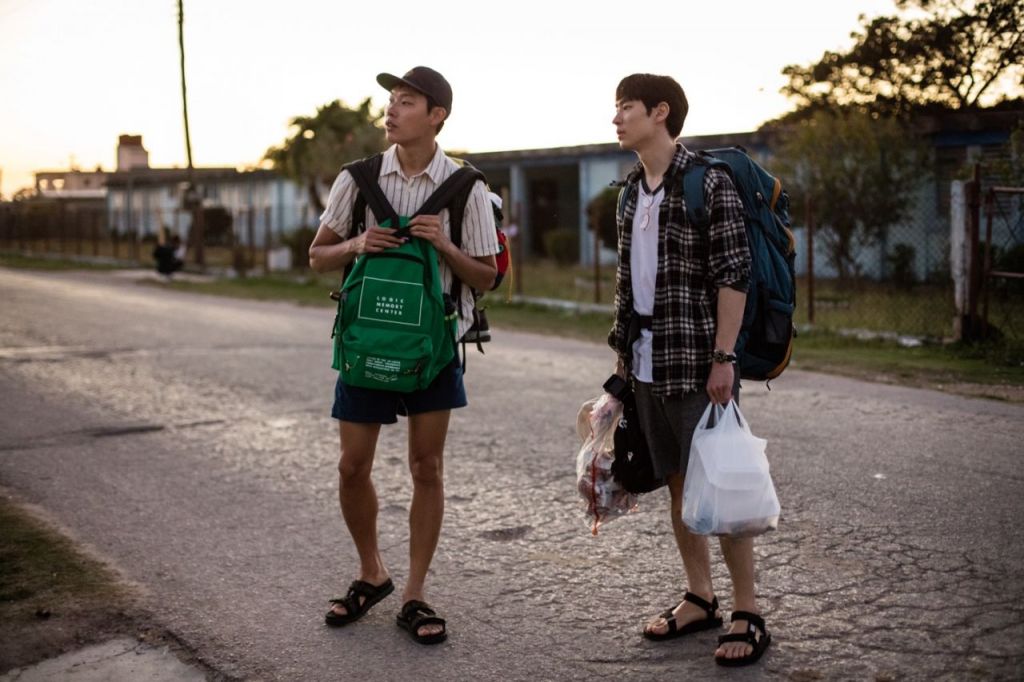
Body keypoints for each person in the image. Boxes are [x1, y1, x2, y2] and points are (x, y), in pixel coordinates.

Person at [308, 66, 498, 645]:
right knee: (351, 466)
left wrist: (444, 244)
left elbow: (486, 276)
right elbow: (318, 256)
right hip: (366, 343)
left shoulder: (466, 187)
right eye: (390, 100)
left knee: (426, 467)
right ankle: (372, 573)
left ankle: (414, 592)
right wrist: (357, 243)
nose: (391, 110)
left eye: (406, 101)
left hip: (433, 348)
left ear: (436, 115)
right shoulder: (357, 178)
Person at [607, 73, 771, 667]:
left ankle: (748, 610)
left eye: (626, 106)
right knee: (678, 482)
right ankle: (701, 596)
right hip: (647, 363)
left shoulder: (708, 181)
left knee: (720, 484)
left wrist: (724, 357)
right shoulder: (630, 191)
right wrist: (621, 365)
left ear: (660, 111)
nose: (616, 117)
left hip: (699, 361)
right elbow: (627, 285)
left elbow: (734, 273)